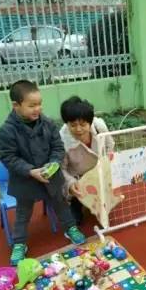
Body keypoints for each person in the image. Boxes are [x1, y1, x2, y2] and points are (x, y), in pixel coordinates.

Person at [0, 80, 86, 265]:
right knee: (23, 214)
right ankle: (19, 243)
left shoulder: (47, 123)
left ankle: (70, 227)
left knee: (61, 204)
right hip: (25, 180)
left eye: (39, 103)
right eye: (32, 105)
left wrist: (53, 163)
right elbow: (8, 157)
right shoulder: (7, 130)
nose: (37, 109)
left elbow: (58, 147)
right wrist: (30, 171)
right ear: (16, 105)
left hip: (50, 176)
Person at [59, 96, 112, 225]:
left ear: (90, 122)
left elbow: (109, 146)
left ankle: (101, 199)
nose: (78, 129)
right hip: (76, 176)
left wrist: (106, 164)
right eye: (73, 125)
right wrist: (71, 183)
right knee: (75, 220)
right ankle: (75, 204)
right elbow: (62, 169)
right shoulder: (62, 140)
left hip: (97, 170)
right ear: (66, 123)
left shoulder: (99, 127)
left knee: (105, 207)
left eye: (83, 124)